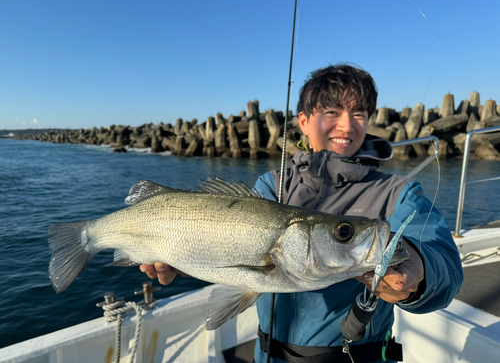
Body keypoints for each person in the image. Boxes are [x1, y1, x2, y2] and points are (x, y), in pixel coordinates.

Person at [140, 64, 463, 363]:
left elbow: (446, 269)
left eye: (360, 114)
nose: (347, 125)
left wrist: (421, 271)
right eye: (332, 112)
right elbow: (237, 258)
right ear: (304, 121)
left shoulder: (399, 193)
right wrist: (184, 255)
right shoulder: (272, 185)